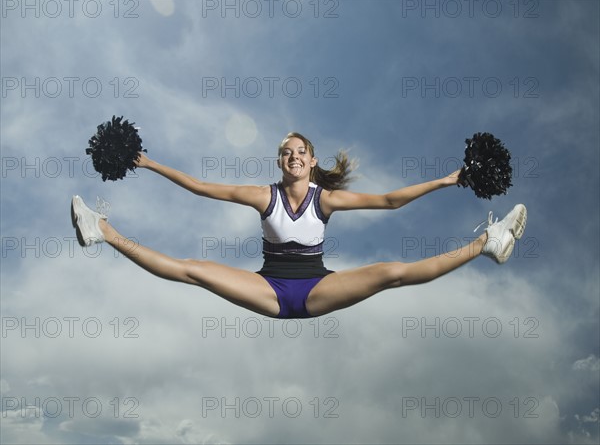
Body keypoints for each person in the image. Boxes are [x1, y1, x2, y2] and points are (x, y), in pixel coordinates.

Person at [71, 132, 527, 319]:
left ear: (310, 162)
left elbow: (390, 201)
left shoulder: (324, 199)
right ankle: (103, 232)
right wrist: (147, 162)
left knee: (392, 271)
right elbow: (198, 186)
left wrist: (449, 179)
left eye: (301, 152)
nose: (293, 156)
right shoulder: (262, 195)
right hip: (269, 288)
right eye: (286, 151)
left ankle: (489, 242)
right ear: (280, 161)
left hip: (315, 289)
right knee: (193, 269)